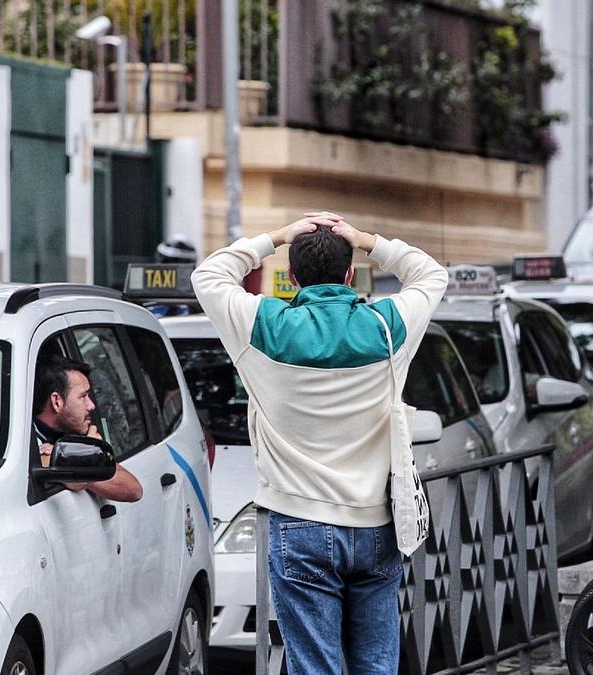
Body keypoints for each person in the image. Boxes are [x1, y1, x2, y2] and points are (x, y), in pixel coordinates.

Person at [192, 212, 448, 674]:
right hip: (377, 524)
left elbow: (209, 273)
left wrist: (277, 236)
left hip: (300, 525)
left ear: (291, 277)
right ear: (351, 275)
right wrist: (368, 239)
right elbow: (431, 273)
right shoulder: (388, 326)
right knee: (376, 664)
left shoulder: (263, 325)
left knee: (315, 666)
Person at [33, 354, 143, 502]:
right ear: (57, 401)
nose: (91, 405)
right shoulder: (29, 447)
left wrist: (82, 458)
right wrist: (85, 461)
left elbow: (133, 489)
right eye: (83, 397)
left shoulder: (70, 432)